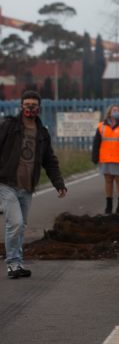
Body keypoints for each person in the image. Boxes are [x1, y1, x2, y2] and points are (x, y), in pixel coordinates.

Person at [0, 91, 68, 279]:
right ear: (21, 106)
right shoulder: (8, 126)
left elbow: (49, 160)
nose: (30, 108)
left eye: (34, 105)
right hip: (6, 183)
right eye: (27, 104)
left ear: (39, 108)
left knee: (21, 226)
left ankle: (17, 262)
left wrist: (59, 183)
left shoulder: (42, 133)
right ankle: (12, 264)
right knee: (15, 222)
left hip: (27, 186)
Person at [91, 104, 119, 214]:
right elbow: (96, 143)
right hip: (105, 158)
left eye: (118, 110)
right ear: (109, 113)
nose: (116, 112)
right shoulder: (101, 126)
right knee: (108, 180)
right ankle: (109, 204)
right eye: (114, 110)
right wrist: (95, 156)